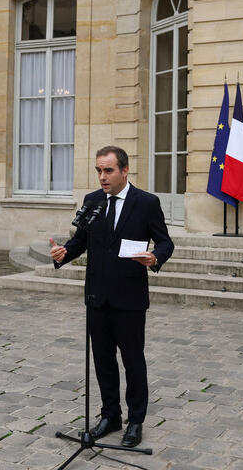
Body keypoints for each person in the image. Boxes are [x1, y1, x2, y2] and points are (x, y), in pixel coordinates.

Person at [49, 145, 174, 448]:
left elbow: (165, 243)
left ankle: (136, 420)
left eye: (108, 170)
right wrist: (64, 252)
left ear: (124, 170)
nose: (102, 177)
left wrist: (155, 257)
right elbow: (81, 241)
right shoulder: (92, 201)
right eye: (99, 171)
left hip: (129, 298)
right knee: (103, 360)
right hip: (97, 296)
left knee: (133, 361)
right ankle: (110, 415)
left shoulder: (146, 203)